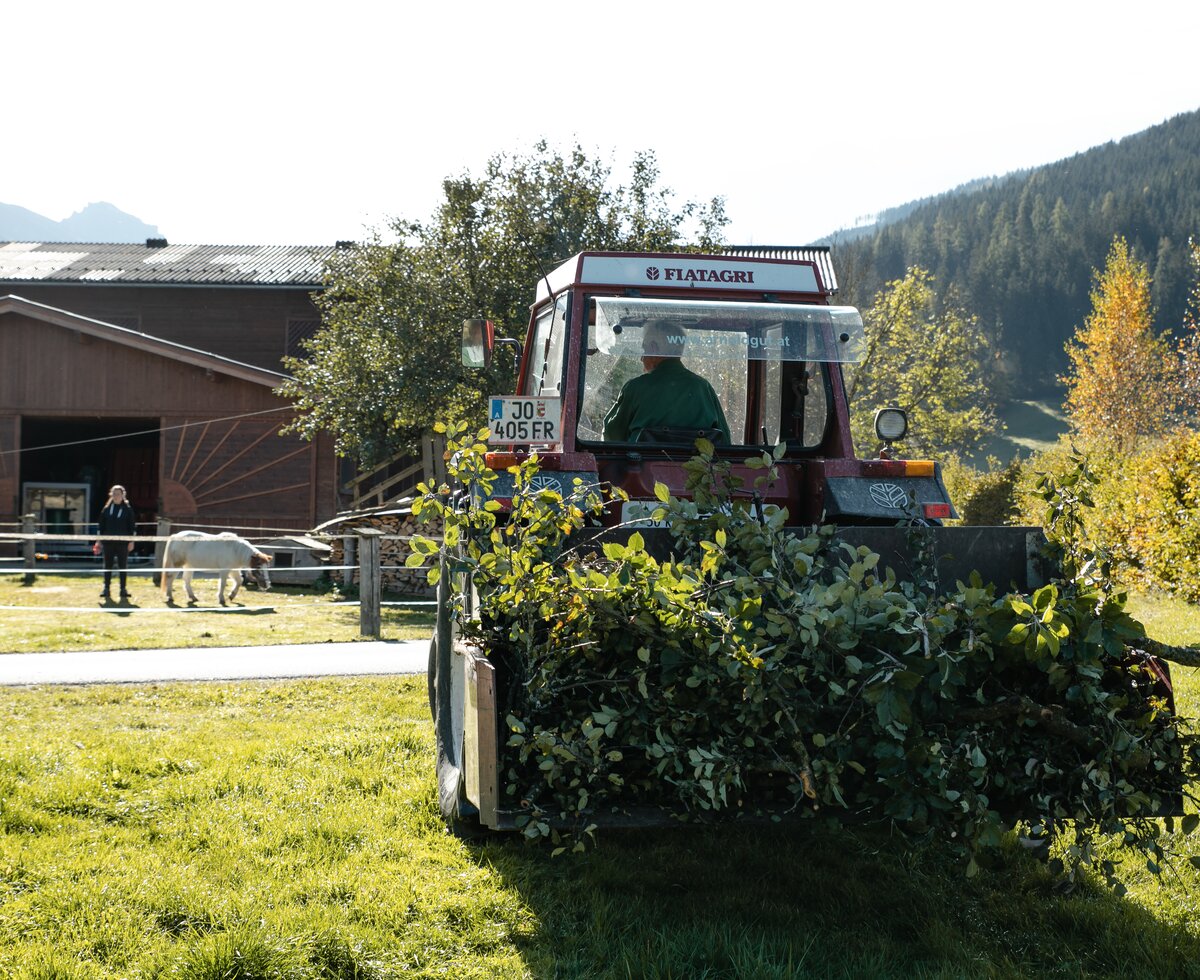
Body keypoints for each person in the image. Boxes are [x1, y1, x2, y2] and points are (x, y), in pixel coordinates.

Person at [603, 320, 731, 444]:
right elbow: (724, 441)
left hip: (640, 466)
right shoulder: (703, 388)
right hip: (698, 466)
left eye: (644, 350)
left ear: (653, 348)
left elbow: (612, 436)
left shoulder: (635, 387)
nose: (642, 358)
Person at [96, 484, 136, 600]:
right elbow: (100, 526)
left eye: (118, 494)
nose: (116, 496)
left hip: (123, 543)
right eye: (114, 494)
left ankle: (123, 589)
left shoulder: (128, 509)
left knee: (122, 566)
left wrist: (131, 541)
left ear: (123, 495)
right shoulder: (106, 509)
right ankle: (106, 588)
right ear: (111, 495)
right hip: (108, 542)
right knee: (107, 566)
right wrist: (98, 541)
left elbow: (132, 527)